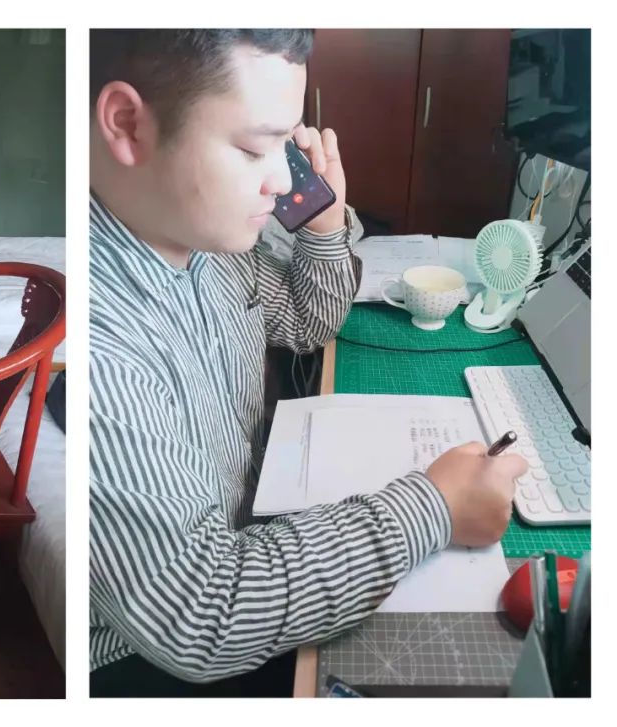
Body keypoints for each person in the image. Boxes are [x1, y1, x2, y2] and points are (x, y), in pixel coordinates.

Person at [88, 29, 528, 697]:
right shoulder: (103, 344)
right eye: (253, 149)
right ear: (127, 123)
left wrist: (324, 224)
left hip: (247, 525)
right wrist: (435, 507)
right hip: (145, 654)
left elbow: (306, 322)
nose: (279, 181)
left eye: (285, 146)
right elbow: (201, 613)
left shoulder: (206, 244)